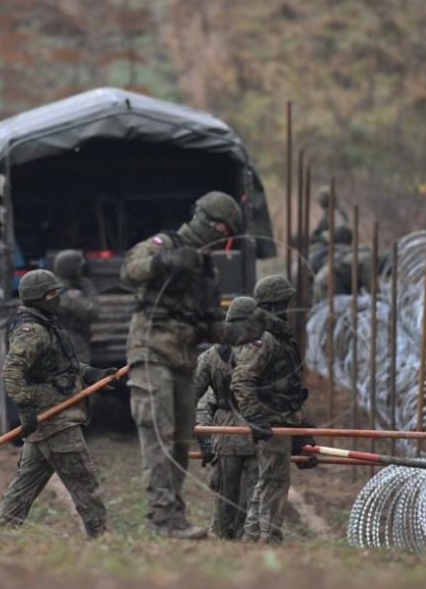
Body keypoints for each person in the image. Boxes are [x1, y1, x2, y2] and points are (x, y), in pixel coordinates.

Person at [121, 190, 242, 540]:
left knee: (178, 442)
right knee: (158, 433)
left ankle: (174, 512)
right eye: (221, 227)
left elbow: (209, 323)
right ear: (205, 221)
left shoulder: (207, 271)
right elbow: (130, 270)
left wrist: (239, 332)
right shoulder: (163, 244)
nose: (223, 236)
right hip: (151, 351)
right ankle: (163, 517)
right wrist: (165, 263)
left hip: (184, 360)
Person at [0, 269, 114, 537]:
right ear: (39, 298)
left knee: (24, 487)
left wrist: (93, 374)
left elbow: (61, 367)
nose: (57, 299)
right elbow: (11, 372)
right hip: (55, 422)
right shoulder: (31, 331)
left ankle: (1, 534)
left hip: (49, 424)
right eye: (52, 294)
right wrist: (25, 410)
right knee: (85, 482)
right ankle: (102, 537)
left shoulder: (46, 325)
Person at [231, 275, 317, 545]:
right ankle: (270, 539)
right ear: (273, 305)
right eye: (284, 303)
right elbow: (241, 380)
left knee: (267, 480)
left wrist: (302, 429)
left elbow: (290, 388)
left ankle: (253, 536)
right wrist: (255, 417)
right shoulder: (263, 338)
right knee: (275, 482)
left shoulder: (278, 334)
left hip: (284, 419)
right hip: (271, 421)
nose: (287, 309)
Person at [194, 296, 265, 540]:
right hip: (259, 431)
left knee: (225, 498)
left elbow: (192, 395)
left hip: (225, 434)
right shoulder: (264, 350)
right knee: (257, 498)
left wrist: (200, 435)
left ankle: (222, 543)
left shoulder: (211, 355)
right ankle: (251, 543)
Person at [53, 249, 98, 363]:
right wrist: (76, 298)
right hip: (69, 341)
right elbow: (92, 311)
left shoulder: (75, 286)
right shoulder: (60, 291)